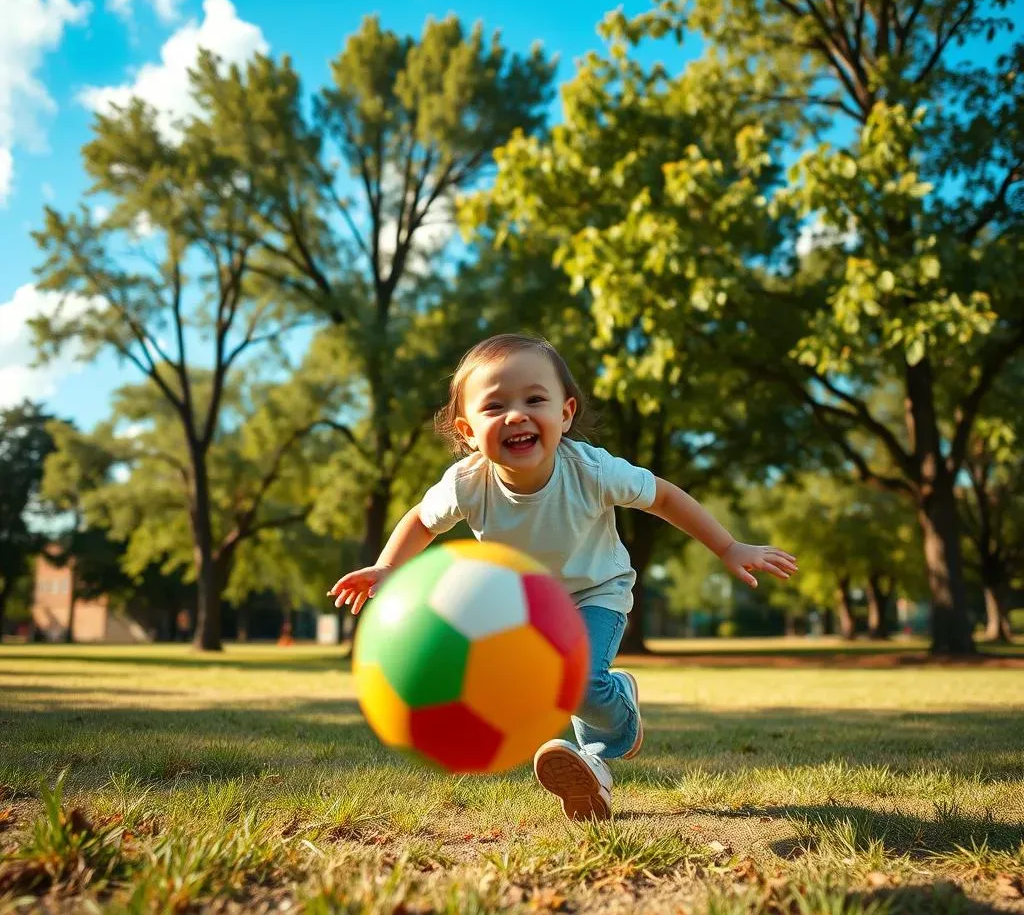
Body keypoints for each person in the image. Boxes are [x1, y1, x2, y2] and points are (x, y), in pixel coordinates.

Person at [328, 333, 797, 820]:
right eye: (495, 406)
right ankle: (593, 772)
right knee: (544, 692)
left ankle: (620, 717)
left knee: (578, 684)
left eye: (535, 399)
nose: (516, 415)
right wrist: (387, 566)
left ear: (565, 414)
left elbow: (662, 497)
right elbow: (421, 521)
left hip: (597, 592)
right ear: (467, 431)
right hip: (523, 609)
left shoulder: (592, 471)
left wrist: (728, 545)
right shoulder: (467, 484)